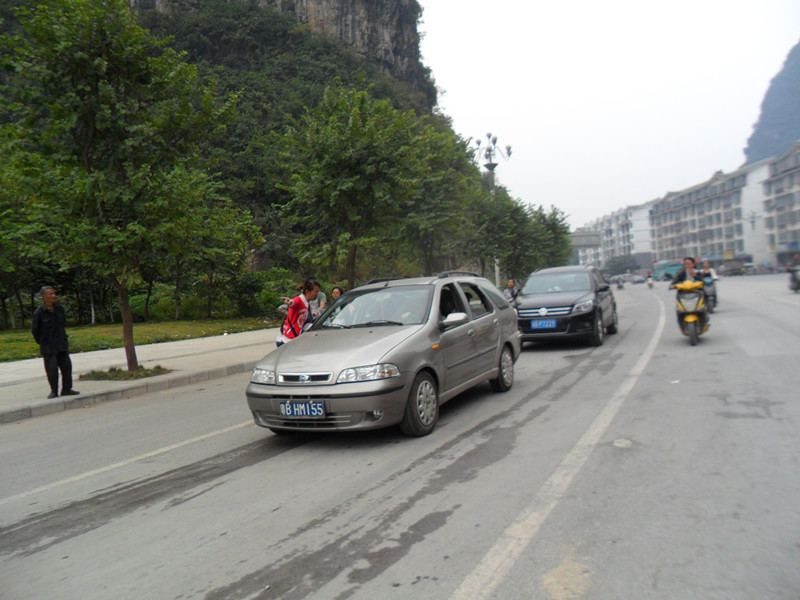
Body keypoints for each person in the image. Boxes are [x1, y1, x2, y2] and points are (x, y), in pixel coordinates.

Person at [31, 286, 79, 399]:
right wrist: (43, 342)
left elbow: (63, 325)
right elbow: (35, 330)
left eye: (54, 293)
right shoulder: (39, 312)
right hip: (48, 346)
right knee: (52, 370)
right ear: (44, 297)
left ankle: (67, 389)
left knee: (67, 368)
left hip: (61, 344)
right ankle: (54, 391)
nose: (53, 296)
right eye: (50, 294)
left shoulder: (59, 309)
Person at [276, 279, 320, 347]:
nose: (317, 294)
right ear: (307, 292)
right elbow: (293, 303)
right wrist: (290, 302)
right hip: (288, 339)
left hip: (297, 339)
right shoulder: (299, 300)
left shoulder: (307, 303)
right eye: (316, 292)